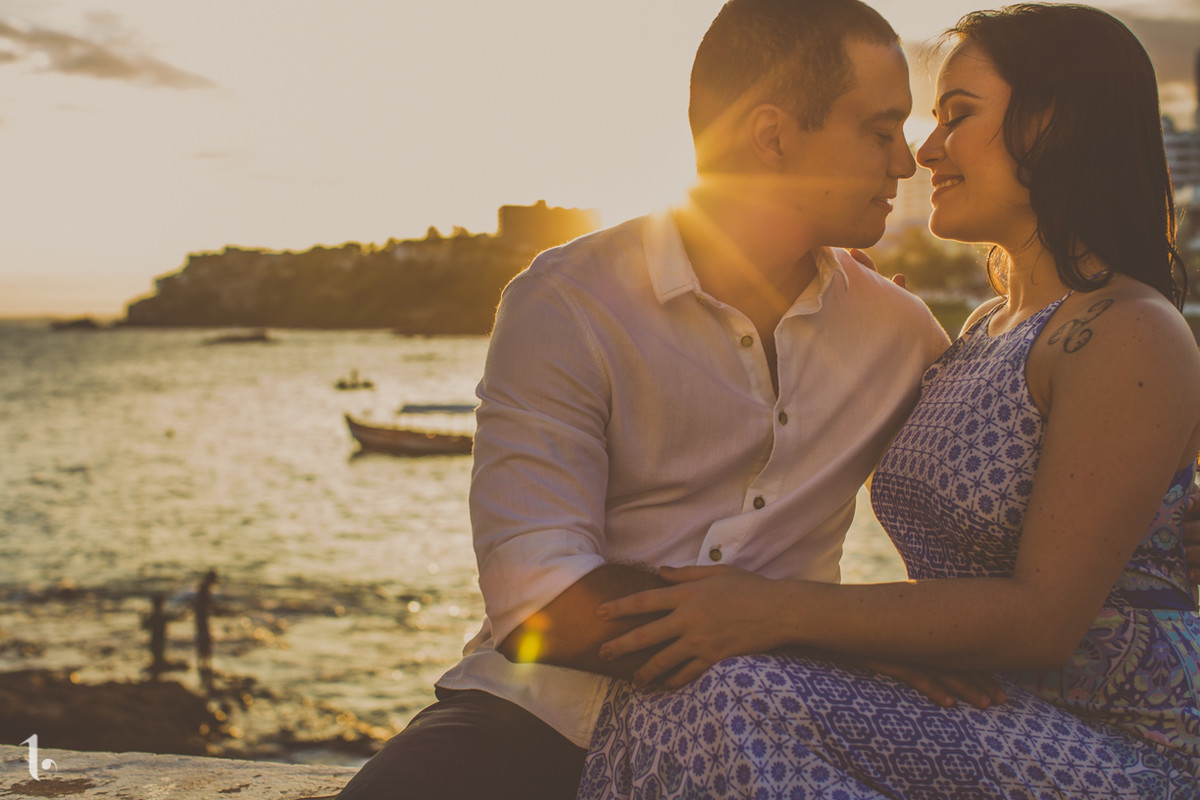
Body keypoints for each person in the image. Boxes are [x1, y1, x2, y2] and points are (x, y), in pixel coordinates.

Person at [337, 2, 965, 798]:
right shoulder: (567, 301)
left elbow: (990, 508)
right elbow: (542, 602)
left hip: (781, 714)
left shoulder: (898, 331)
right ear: (772, 137)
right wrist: (798, 629)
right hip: (540, 711)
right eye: (880, 130)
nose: (906, 163)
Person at [578, 5, 1200, 798]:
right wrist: (842, 324)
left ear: (1052, 125)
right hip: (980, 710)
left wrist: (775, 611)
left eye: (957, 116)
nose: (925, 152)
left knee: (729, 694)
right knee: (674, 688)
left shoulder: (1127, 328)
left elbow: (1045, 618)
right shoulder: (983, 329)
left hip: (1119, 743)